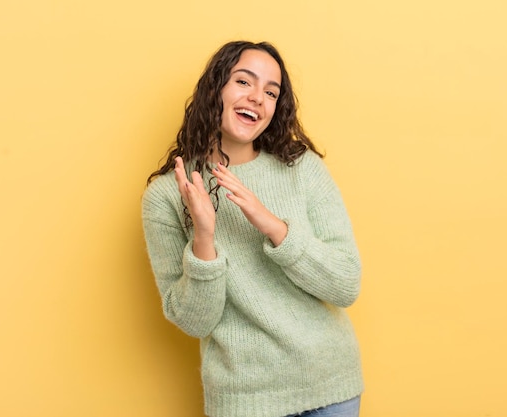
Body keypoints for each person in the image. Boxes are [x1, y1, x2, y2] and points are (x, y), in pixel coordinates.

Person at [142, 40, 363, 417]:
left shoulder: (301, 167)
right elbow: (196, 321)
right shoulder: (166, 196)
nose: (258, 98)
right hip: (245, 399)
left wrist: (273, 226)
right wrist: (204, 238)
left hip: (330, 386)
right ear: (215, 89)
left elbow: (346, 285)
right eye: (244, 82)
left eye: (271, 92)